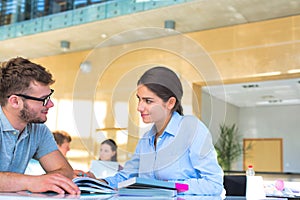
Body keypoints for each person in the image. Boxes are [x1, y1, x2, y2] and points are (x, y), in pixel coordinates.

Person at [77, 66, 224, 195]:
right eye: (139, 99)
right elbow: (127, 177)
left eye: (148, 101)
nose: (139, 107)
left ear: (170, 103)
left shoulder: (191, 129)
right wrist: (98, 181)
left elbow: (213, 183)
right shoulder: (147, 139)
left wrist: (170, 186)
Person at [0, 57, 80, 195]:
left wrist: (41, 181)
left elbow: (66, 171)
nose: (50, 105)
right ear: (15, 101)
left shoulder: (38, 130)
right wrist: (32, 182)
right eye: (43, 100)